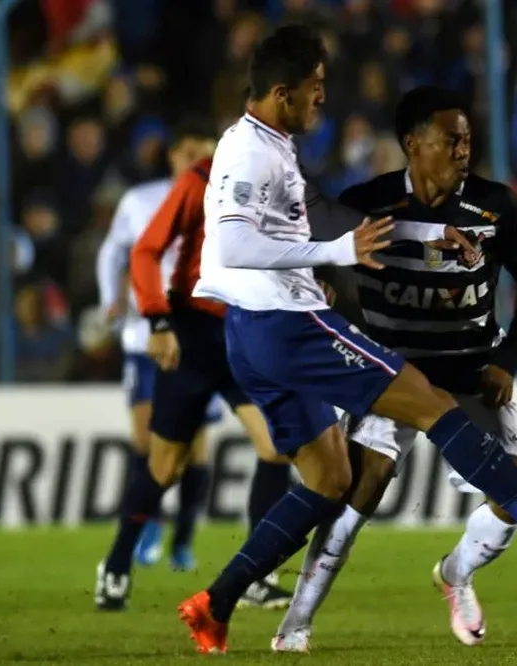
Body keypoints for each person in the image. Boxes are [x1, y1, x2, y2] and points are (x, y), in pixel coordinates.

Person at [176, 24, 517, 655]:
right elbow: (231, 244)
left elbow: (323, 215)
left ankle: (216, 602)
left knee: (325, 480)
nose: (323, 98)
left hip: (252, 333)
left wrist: (423, 238)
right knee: (432, 405)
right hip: (286, 324)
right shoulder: (252, 153)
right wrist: (334, 253)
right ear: (281, 91)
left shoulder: (272, 145)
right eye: (314, 87)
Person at [273, 85, 517, 652]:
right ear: (414, 144)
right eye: (451, 138)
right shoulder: (366, 203)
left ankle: (456, 574)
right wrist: (321, 284)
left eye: (467, 138)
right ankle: (294, 624)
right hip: (392, 372)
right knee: (361, 489)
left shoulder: (495, 207)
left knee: (514, 483)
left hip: (470, 369)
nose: (465, 148)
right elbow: (318, 258)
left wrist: (508, 359)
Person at [94, 140, 298, 613]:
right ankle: (117, 562)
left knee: (275, 446)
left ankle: (253, 574)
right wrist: (158, 321)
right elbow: (145, 251)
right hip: (194, 337)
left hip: (244, 333)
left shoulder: (280, 181)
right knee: (164, 466)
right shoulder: (199, 181)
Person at [95, 121, 220, 573]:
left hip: (200, 334)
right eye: (187, 151)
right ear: (171, 155)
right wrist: (111, 298)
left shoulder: (221, 194)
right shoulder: (140, 200)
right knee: (148, 439)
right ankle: (147, 528)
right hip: (144, 336)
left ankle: (183, 541)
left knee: (197, 449)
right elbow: (114, 252)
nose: (194, 160)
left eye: (202, 151)